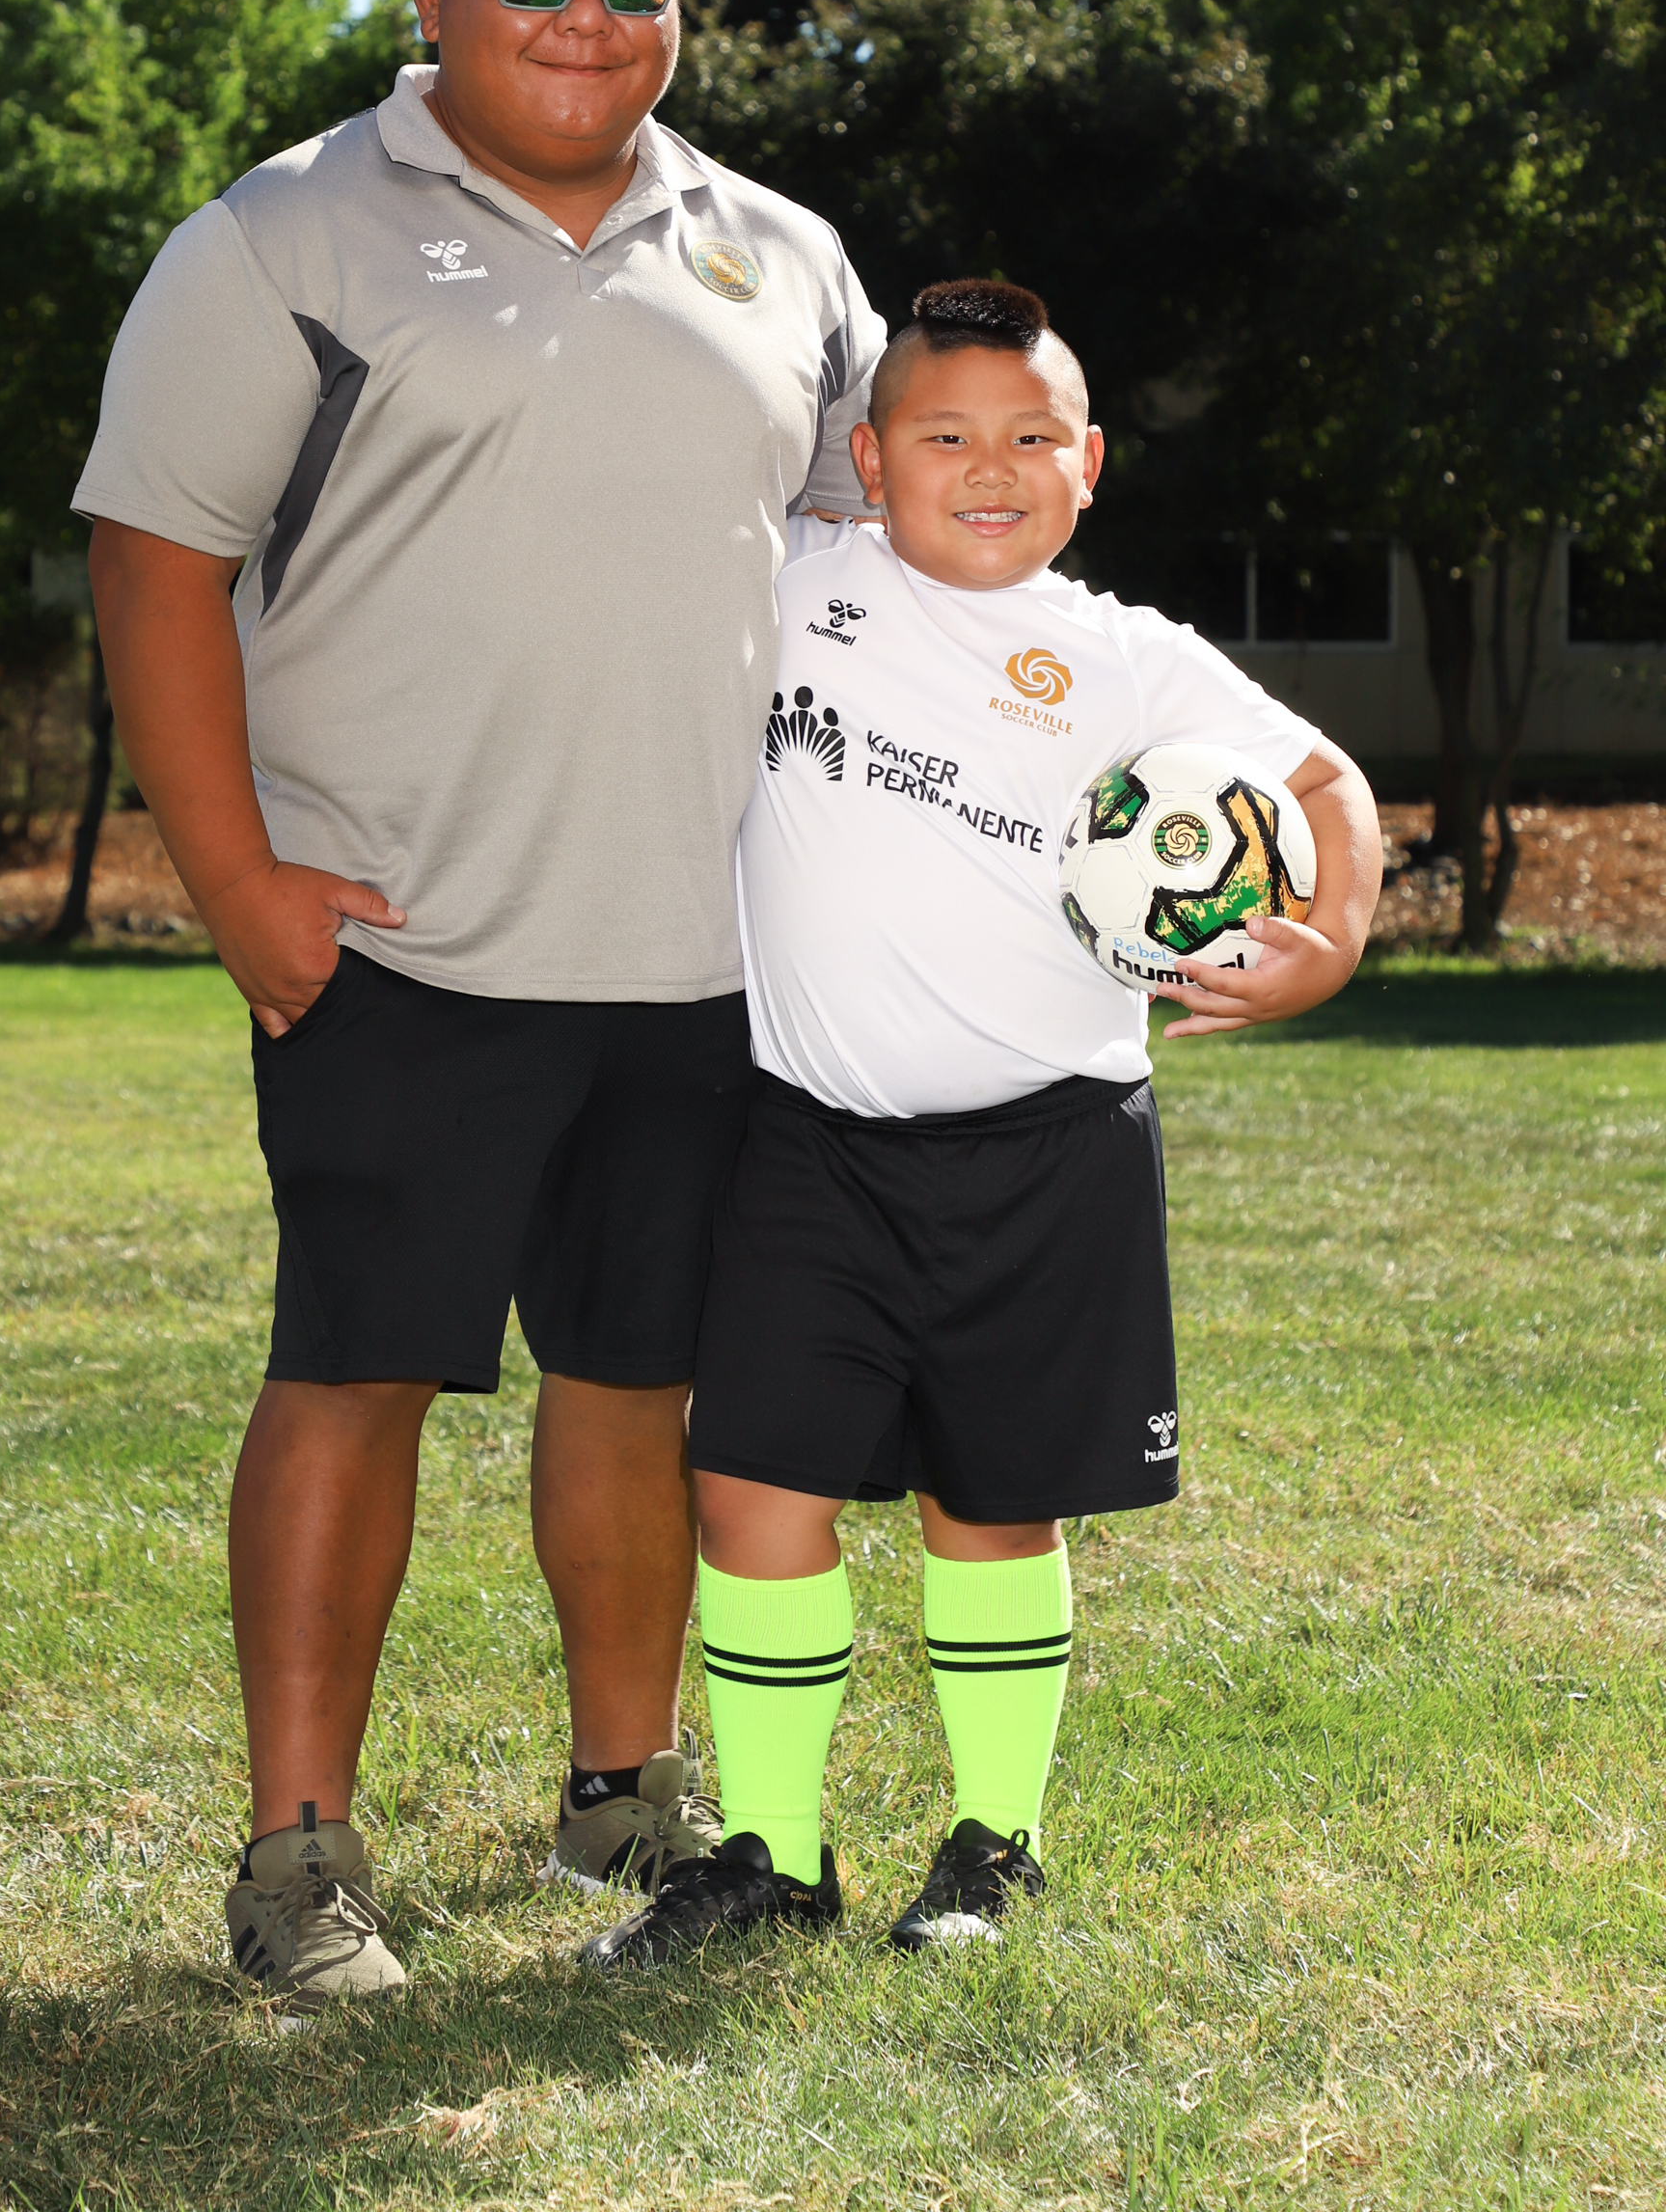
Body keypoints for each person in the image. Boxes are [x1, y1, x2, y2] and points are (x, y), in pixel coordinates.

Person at [73, 0, 885, 2004]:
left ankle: (624, 1790)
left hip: (707, 956)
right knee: (353, 1376)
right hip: (400, 944)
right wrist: (234, 881)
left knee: (636, 1385)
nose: (586, 13)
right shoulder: (282, 237)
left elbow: (878, 568)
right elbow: (152, 563)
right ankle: (297, 1857)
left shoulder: (782, 255)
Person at [580, 279, 1382, 1970]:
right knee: (751, 1488)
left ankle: (991, 1844)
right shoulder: (796, 588)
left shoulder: (1130, 660)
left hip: (1051, 1147)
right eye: (944, 436)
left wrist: (1332, 941)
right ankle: (774, 1853)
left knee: (993, 1503)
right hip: (809, 1141)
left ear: (1089, 463)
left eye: (1032, 436)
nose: (990, 467)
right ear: (870, 462)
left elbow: (1326, 786)